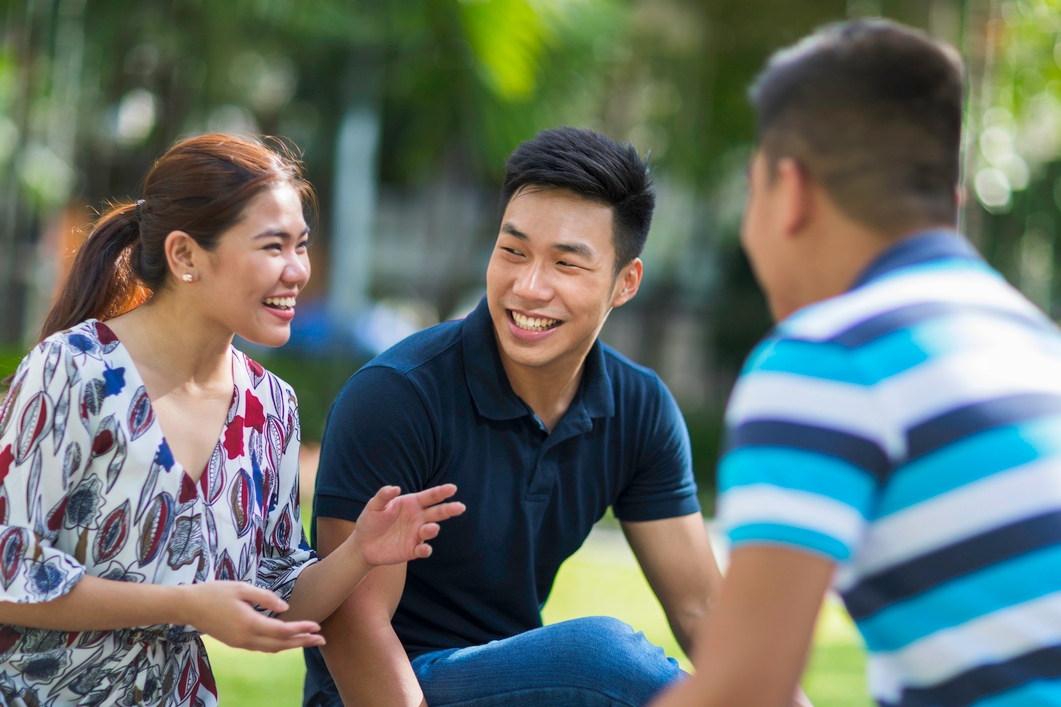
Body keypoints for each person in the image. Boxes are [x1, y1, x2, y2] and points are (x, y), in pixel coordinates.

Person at [651, 19, 1061, 707]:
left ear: (791, 191)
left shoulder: (829, 356)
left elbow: (741, 691)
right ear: (948, 209)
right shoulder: (1031, 342)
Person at [0, 133, 464, 707]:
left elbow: (275, 592)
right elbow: (8, 573)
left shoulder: (270, 406)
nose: (298, 270)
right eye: (273, 247)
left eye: (302, 245)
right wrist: (184, 604)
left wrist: (359, 553)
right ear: (185, 255)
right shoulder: (74, 372)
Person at [302, 127, 725, 707]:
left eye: (566, 264)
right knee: (601, 659)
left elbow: (701, 608)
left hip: (520, 688)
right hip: (388, 691)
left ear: (625, 283)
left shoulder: (640, 408)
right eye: (513, 251)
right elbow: (354, 627)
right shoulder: (398, 396)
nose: (529, 287)